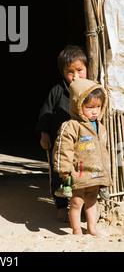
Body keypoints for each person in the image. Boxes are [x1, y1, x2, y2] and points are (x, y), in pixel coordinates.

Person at [53, 77, 111, 236]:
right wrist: (63, 169)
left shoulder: (101, 127)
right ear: (78, 105)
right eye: (90, 107)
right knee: (76, 201)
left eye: (98, 107)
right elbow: (63, 149)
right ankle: (76, 230)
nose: (95, 111)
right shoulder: (72, 126)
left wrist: (106, 175)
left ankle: (92, 229)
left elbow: (103, 153)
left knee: (92, 201)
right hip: (78, 173)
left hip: (95, 173)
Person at [36, 45, 88, 221]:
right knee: (59, 175)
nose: (75, 76)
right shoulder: (57, 91)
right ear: (62, 72)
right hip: (60, 145)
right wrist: (45, 134)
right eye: (69, 72)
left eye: (80, 70)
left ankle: (83, 207)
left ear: (87, 68)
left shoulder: (91, 91)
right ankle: (60, 206)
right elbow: (46, 113)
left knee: (82, 175)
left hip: (82, 146)